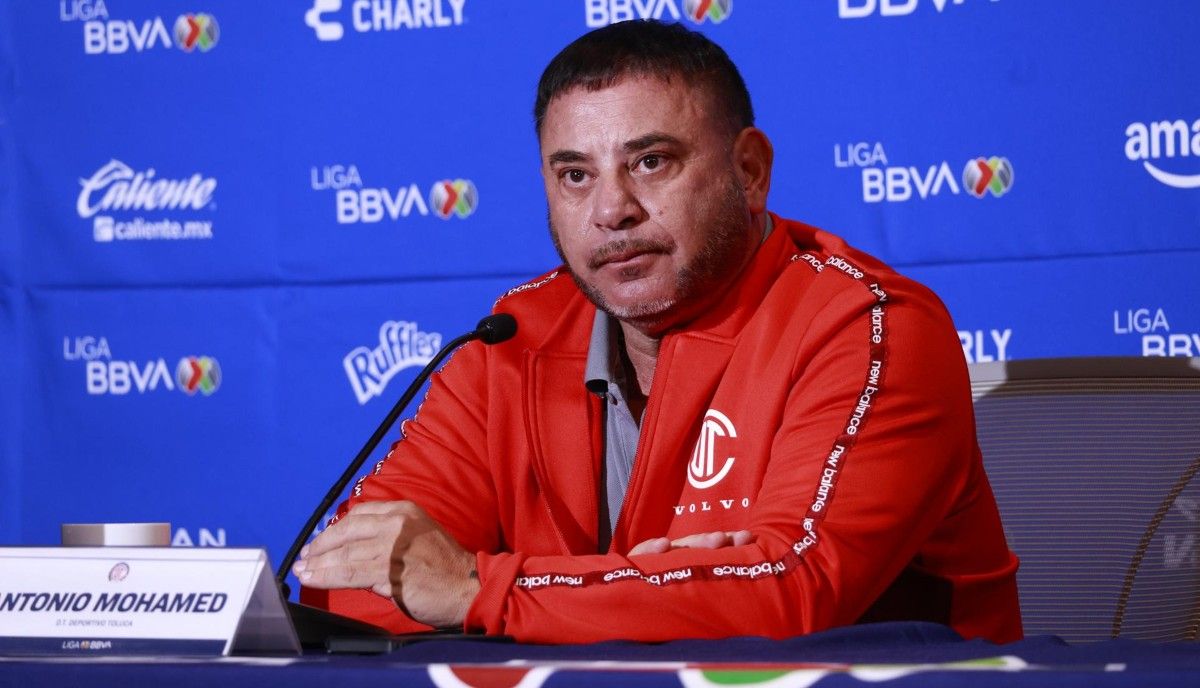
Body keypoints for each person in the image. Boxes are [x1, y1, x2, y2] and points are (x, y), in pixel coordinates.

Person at [295, 20, 1022, 644]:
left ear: (750, 171)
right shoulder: (509, 340)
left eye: (650, 162)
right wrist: (654, 590)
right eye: (575, 175)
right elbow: (349, 585)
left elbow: (793, 590)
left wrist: (476, 589)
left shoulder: (868, 325)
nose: (612, 210)